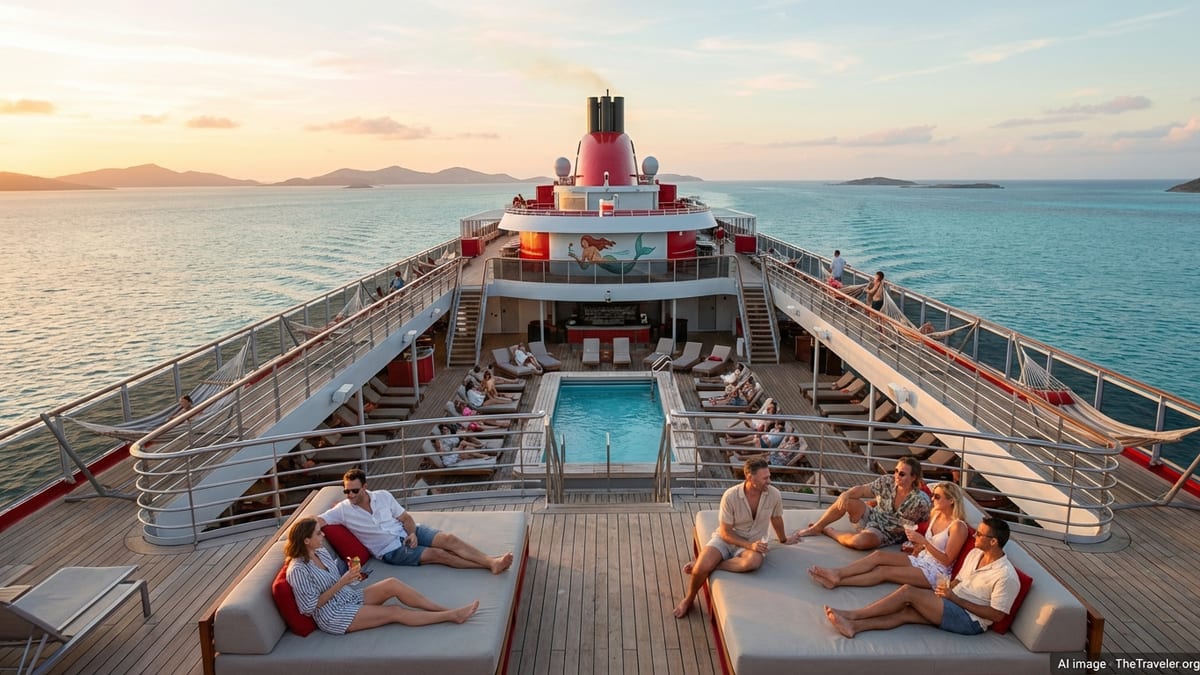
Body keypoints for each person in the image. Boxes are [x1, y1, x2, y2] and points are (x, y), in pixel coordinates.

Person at [824, 517, 1020, 638]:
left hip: (970, 620)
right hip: (953, 602)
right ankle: (854, 627)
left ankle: (853, 615)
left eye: (979, 534)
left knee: (908, 592)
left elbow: (996, 615)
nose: (974, 536)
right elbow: (959, 580)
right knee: (906, 613)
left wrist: (954, 598)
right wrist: (945, 590)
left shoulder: (1005, 575)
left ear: (993, 541)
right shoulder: (976, 554)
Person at [284, 517, 478, 634]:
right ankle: (451, 616)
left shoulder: (321, 552)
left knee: (392, 584)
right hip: (333, 616)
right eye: (318, 534)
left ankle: (442, 609)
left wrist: (353, 573)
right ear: (306, 540)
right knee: (394, 611)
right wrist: (342, 582)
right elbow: (308, 608)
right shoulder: (298, 570)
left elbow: (336, 580)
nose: (323, 536)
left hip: (348, 597)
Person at [317, 469, 514, 573]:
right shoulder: (342, 510)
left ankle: (490, 560)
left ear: (365, 487)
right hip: (390, 550)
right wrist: (297, 531)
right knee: (440, 554)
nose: (349, 494)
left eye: (354, 490)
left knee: (449, 539)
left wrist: (411, 533)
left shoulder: (383, 496)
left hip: (406, 532)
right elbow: (317, 520)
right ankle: (488, 565)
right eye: (346, 491)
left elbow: (406, 518)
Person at [674, 458, 800, 618]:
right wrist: (749, 545)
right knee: (700, 569)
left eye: (769, 476)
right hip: (726, 539)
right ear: (749, 477)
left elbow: (776, 518)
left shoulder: (774, 495)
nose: (769, 481)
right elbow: (726, 532)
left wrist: (783, 539)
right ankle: (689, 599)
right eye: (765, 478)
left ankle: (712, 566)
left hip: (753, 541)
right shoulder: (731, 496)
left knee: (753, 562)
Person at [808, 482, 969, 589]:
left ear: (952, 501)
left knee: (883, 571)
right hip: (923, 559)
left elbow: (947, 560)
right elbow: (930, 543)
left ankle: (838, 581)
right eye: (933, 495)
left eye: (937, 497)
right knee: (878, 556)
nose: (932, 499)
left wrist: (924, 543)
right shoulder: (936, 514)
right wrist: (918, 546)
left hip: (936, 573)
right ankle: (838, 573)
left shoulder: (958, 527)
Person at [793, 456, 931, 549]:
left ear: (913, 477)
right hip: (871, 516)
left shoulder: (921, 501)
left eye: (902, 474)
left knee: (859, 542)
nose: (896, 476)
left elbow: (929, 524)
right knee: (846, 500)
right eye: (896, 471)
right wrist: (845, 494)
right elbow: (863, 490)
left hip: (885, 534)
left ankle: (829, 531)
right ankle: (817, 527)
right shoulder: (887, 481)